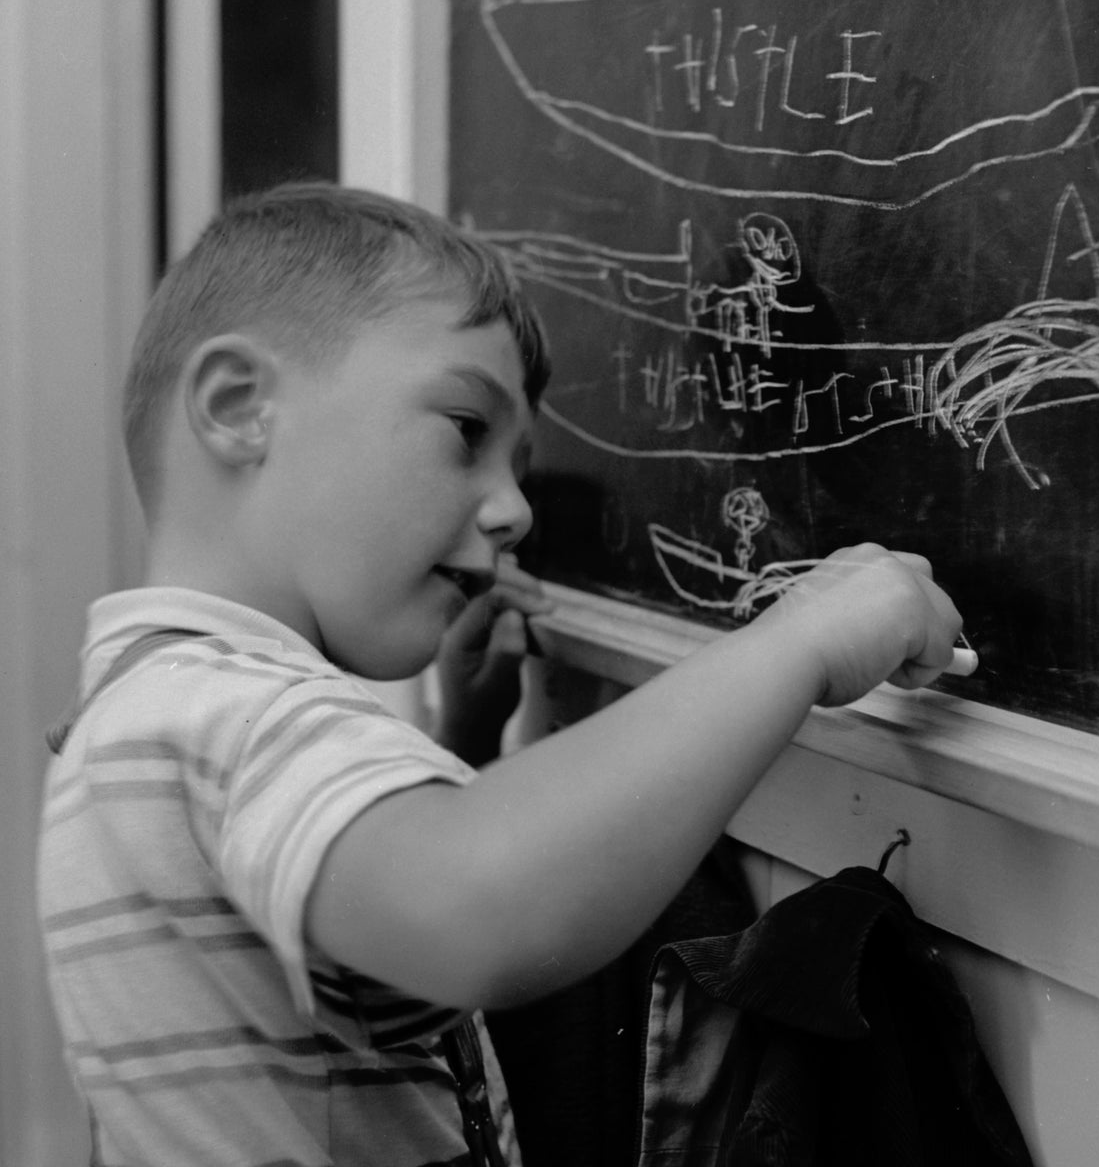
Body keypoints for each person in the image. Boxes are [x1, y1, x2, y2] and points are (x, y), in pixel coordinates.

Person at [37, 182, 964, 1167]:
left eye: (516, 469)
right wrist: (800, 639)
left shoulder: (156, 708)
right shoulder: (223, 709)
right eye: (466, 430)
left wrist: (459, 750)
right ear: (239, 408)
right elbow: (471, 912)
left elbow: (352, 988)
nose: (514, 510)